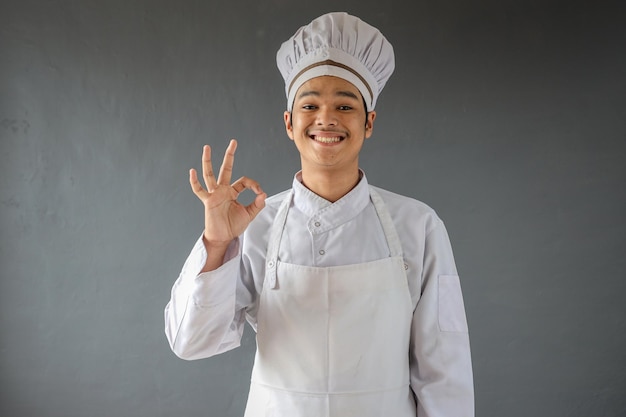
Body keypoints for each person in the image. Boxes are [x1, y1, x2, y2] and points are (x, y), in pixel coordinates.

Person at [165, 11, 474, 417]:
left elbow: (445, 369)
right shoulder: (252, 224)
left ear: (369, 123)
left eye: (345, 106)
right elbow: (192, 343)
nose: (326, 118)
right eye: (310, 104)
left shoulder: (419, 226)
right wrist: (218, 243)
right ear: (290, 123)